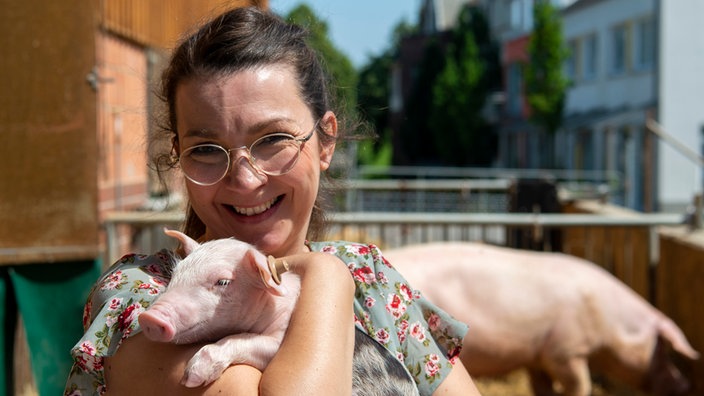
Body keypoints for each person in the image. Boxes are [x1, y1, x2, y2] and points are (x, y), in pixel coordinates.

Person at [64, 6, 482, 396]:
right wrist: (323, 275)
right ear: (178, 155)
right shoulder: (138, 298)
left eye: (274, 140)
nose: (245, 180)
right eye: (206, 149)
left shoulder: (371, 281)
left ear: (325, 141)